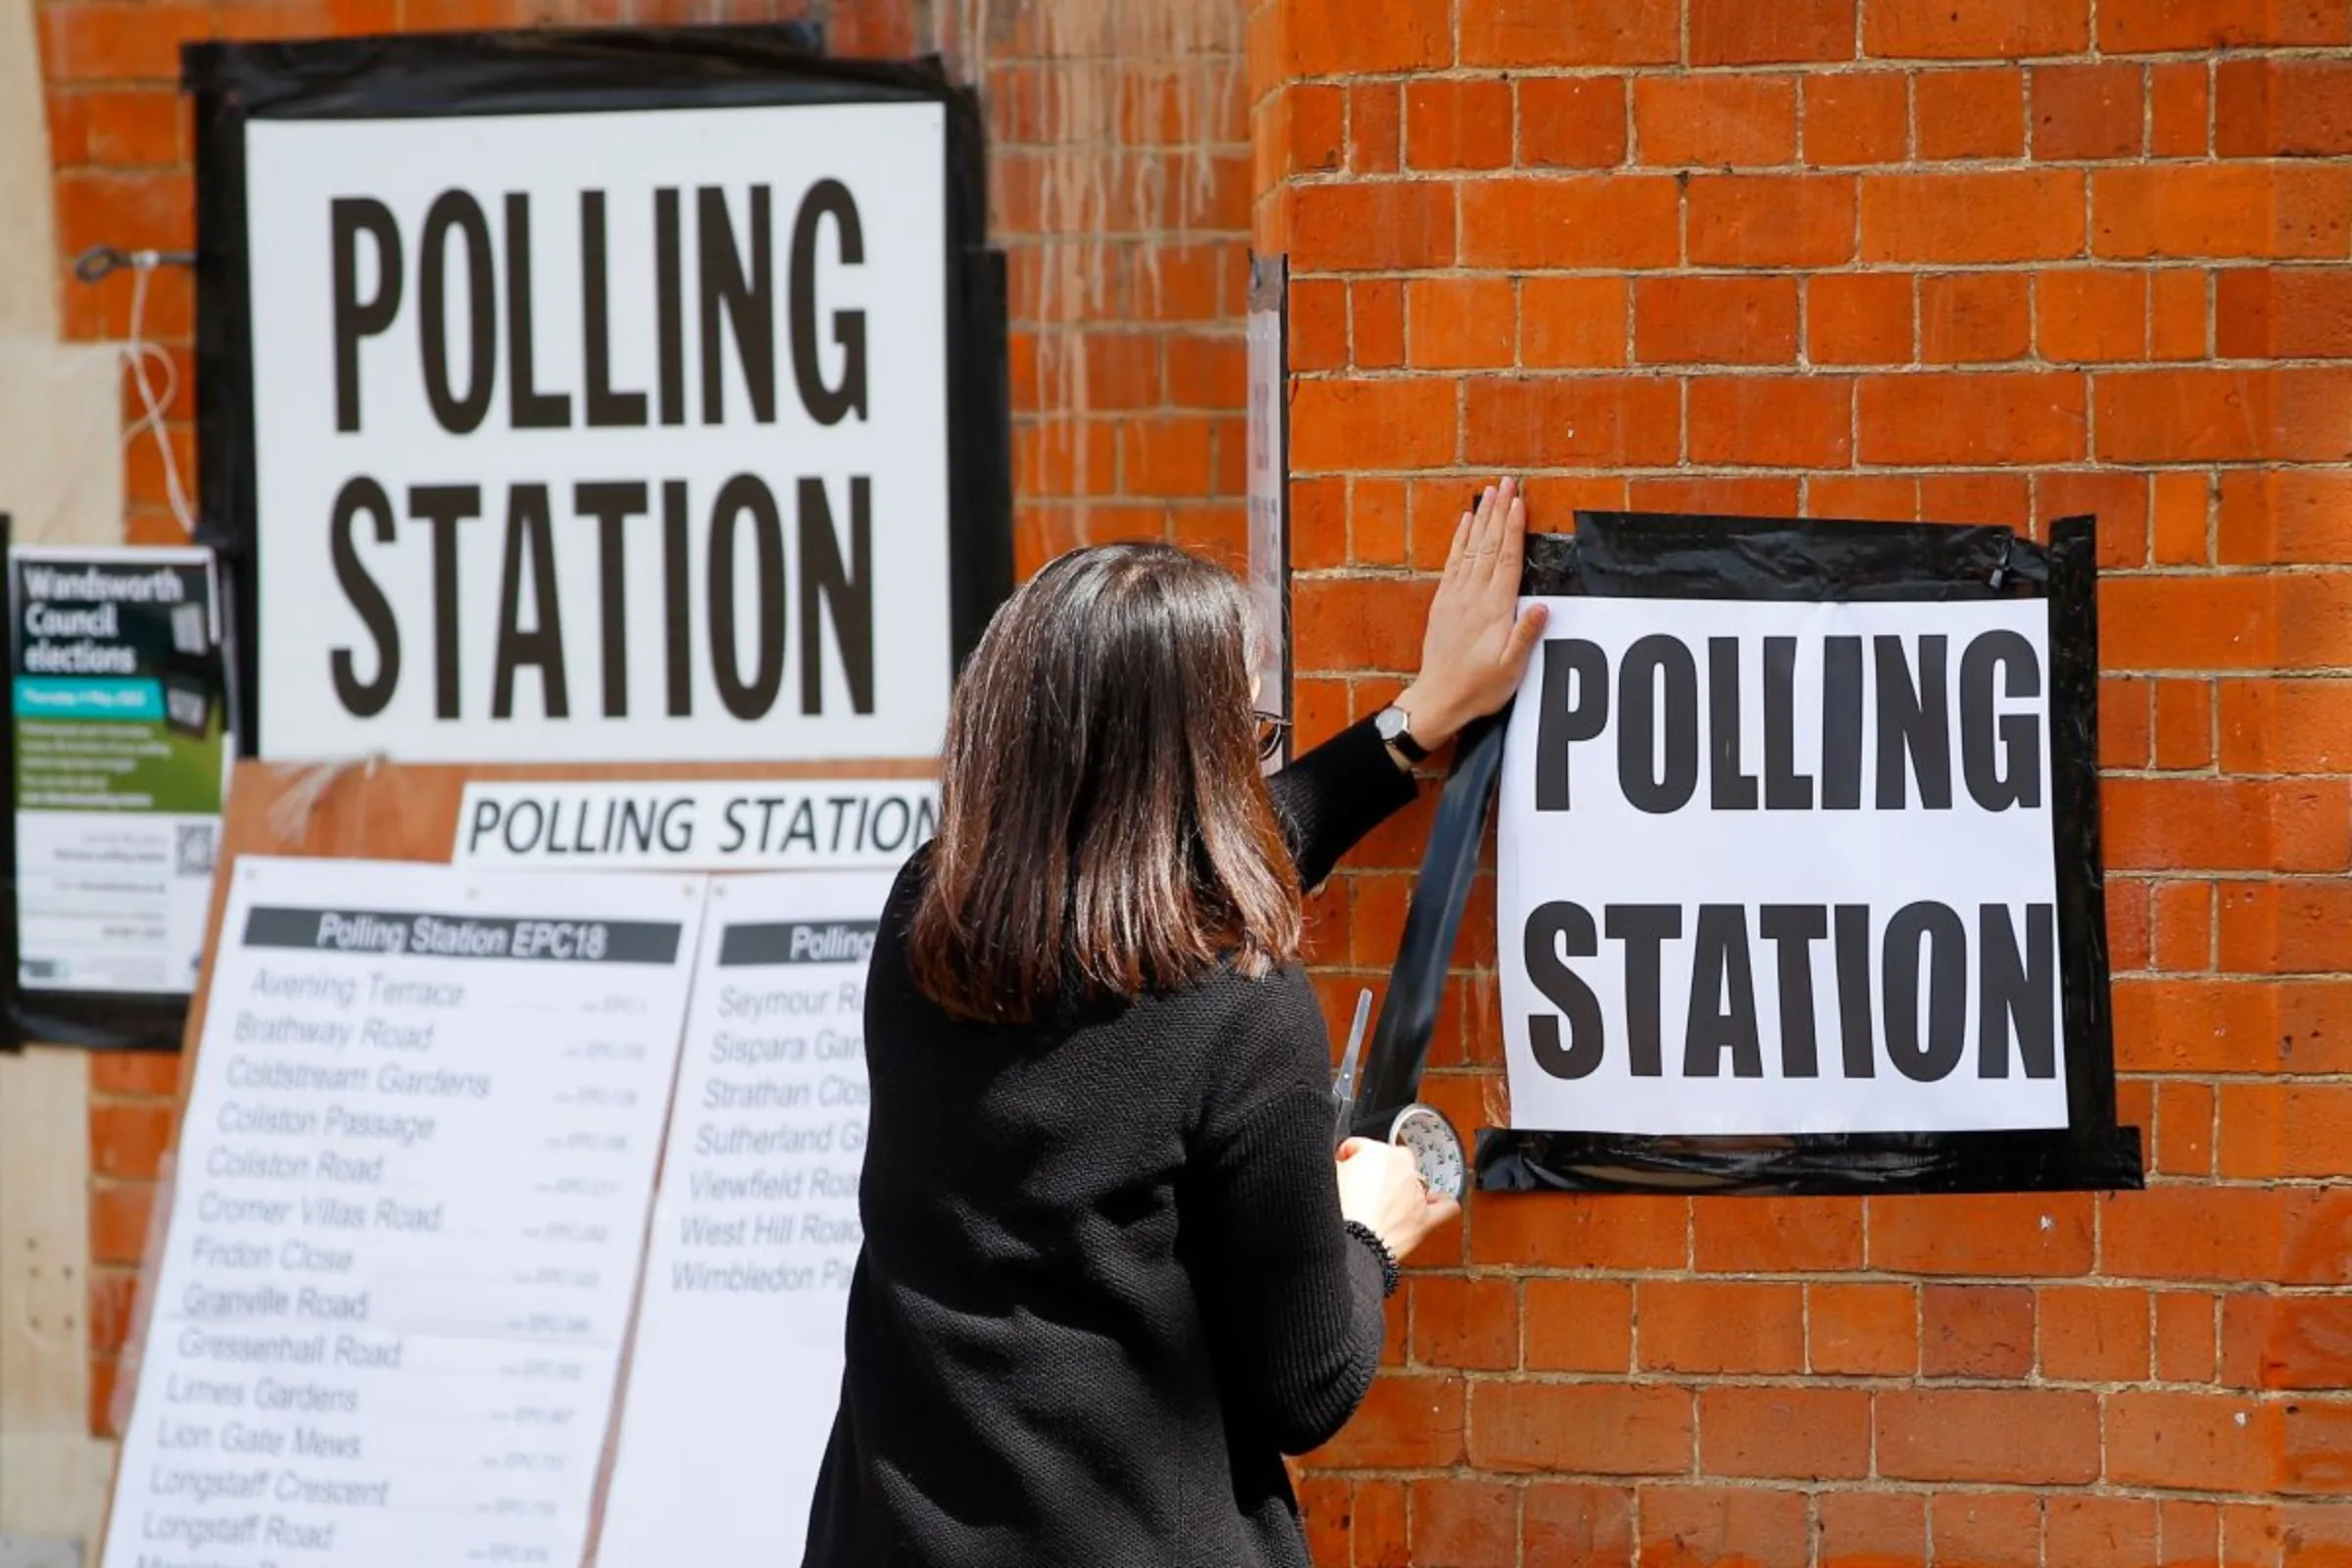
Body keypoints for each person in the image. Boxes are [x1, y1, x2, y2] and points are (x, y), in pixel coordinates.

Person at [801, 479, 1548, 1568]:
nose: (1259, 756)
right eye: (1250, 730)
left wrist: (1411, 725)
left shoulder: (932, 920)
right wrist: (1368, 1229)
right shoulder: (1244, 1012)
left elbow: (1150, 876)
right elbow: (1307, 1384)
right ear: (1193, 762)